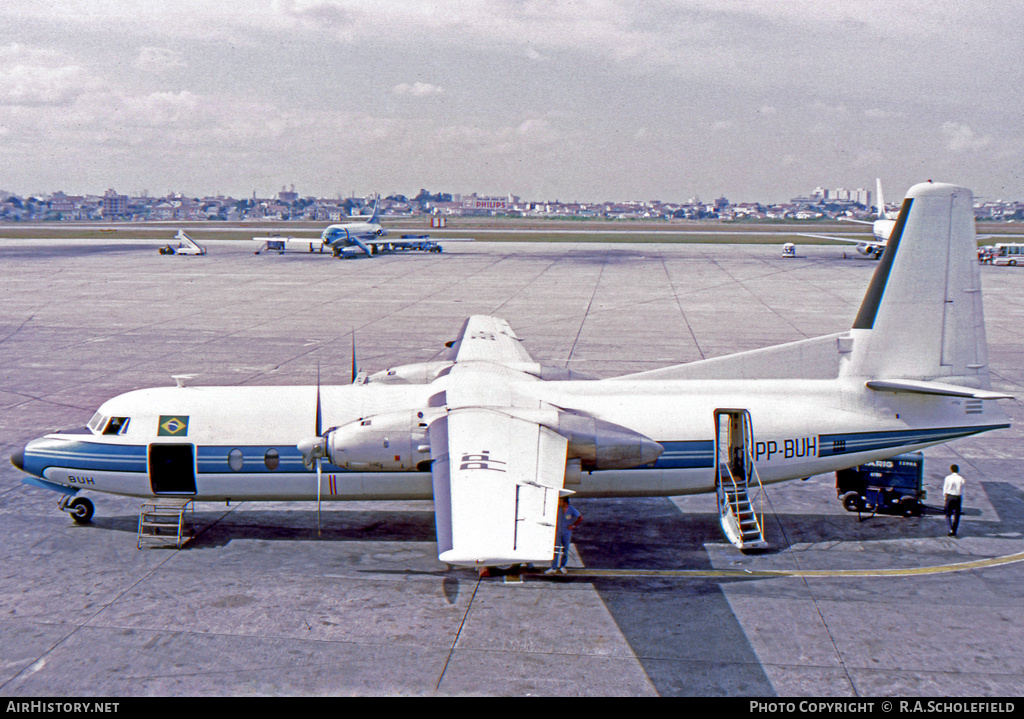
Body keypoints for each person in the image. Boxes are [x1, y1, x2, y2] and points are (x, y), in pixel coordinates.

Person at [545, 497, 582, 574]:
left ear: (565, 502)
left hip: (566, 532)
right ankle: (553, 567)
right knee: (556, 549)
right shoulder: (557, 509)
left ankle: (562, 566)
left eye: (561, 502)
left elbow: (580, 517)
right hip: (558, 532)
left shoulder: (571, 509)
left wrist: (573, 525)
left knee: (565, 549)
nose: (559, 503)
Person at [943, 464, 965, 537]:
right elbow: (962, 489)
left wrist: (945, 498)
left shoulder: (947, 478)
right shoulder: (961, 479)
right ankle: (954, 530)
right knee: (957, 514)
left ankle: (950, 529)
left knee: (948, 513)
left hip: (949, 496)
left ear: (951, 470)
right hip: (957, 497)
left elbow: (945, 488)